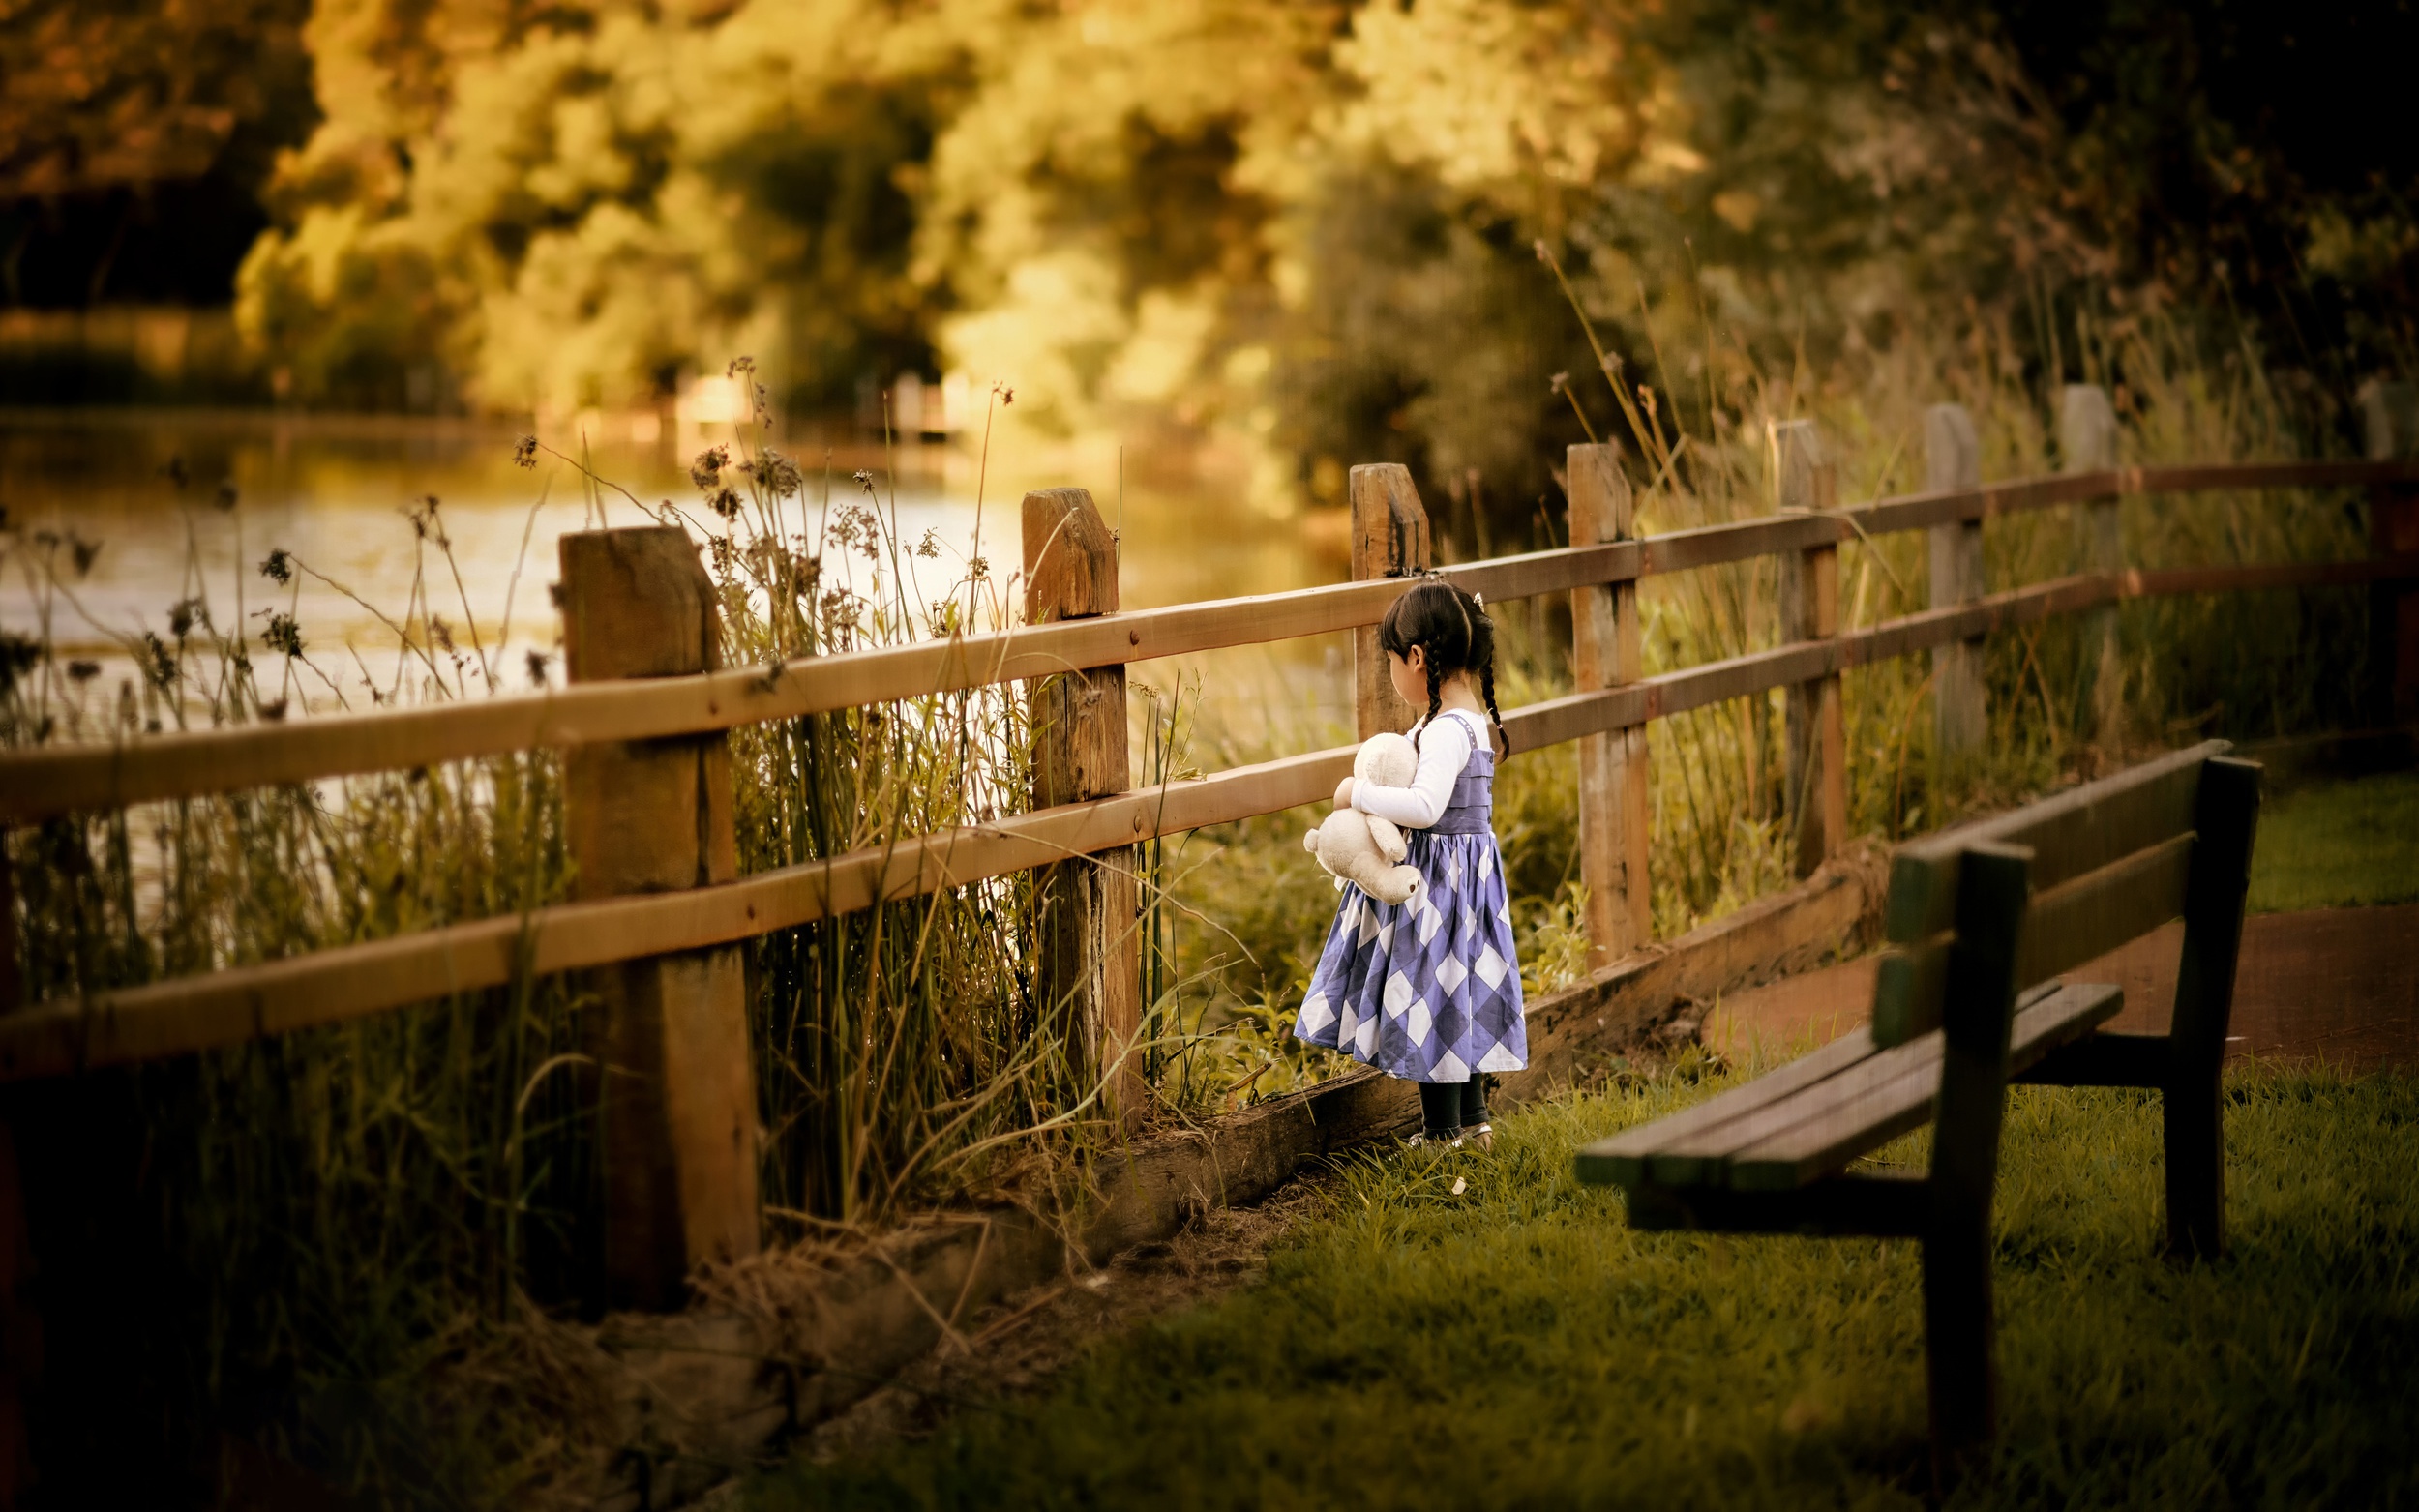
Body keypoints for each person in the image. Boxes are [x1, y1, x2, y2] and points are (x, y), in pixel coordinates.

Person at [1293, 578, 1526, 1151]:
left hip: (1436, 888)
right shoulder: (1464, 719)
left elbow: (1425, 807)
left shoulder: (1447, 730)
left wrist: (1357, 794)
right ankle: (1474, 1125)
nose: (1393, 672)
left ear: (1417, 658)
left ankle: (1443, 1134)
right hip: (1463, 885)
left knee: (1433, 997)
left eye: (1392, 659)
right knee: (1458, 995)